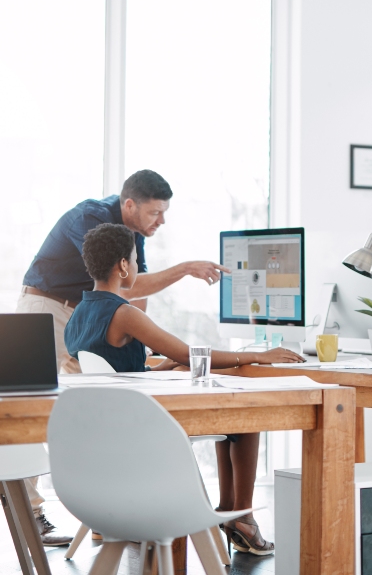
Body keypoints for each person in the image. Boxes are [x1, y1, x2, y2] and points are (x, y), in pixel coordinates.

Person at [65, 222, 305, 554]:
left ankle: (230, 511)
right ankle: (241, 516)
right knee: (246, 416)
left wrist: (160, 368)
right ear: (122, 265)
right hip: (144, 425)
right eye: (135, 260)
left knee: (229, 417)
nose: (137, 266)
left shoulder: (79, 313)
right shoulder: (123, 313)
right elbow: (188, 354)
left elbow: (113, 371)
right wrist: (256, 356)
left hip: (116, 423)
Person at [17, 169, 228, 545]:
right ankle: (29, 514)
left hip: (83, 313)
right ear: (129, 204)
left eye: (164, 213)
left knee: (98, 412)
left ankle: (106, 509)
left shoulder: (134, 234)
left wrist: (139, 342)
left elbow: (132, 290)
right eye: (155, 212)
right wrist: (185, 269)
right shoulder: (92, 218)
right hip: (48, 307)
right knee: (31, 407)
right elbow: (121, 280)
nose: (161, 221)